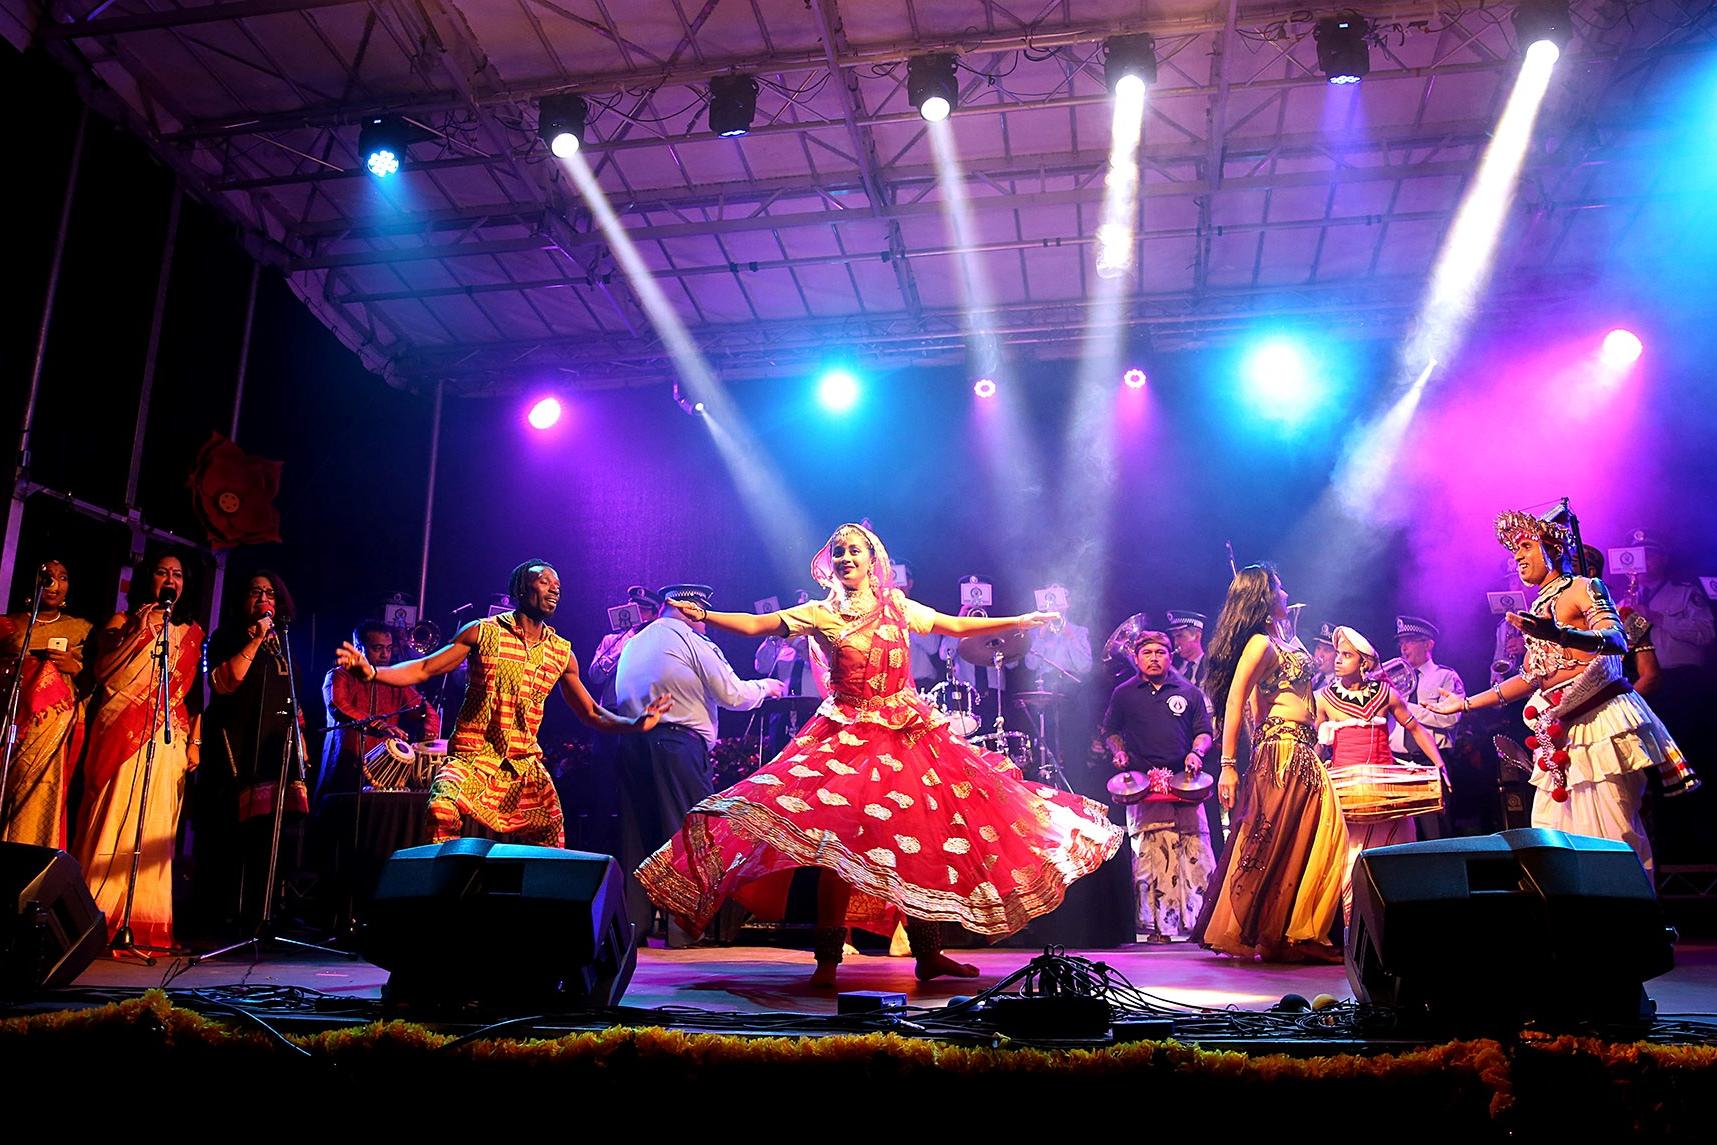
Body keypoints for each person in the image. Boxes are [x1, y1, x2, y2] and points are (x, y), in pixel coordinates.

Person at [636, 524, 1122, 987]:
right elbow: (758, 623)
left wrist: (1019, 621)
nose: (846, 558)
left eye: (854, 551)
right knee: (835, 847)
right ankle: (827, 959)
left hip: (908, 735)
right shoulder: (820, 613)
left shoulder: (896, 606)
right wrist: (708, 618)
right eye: (838, 552)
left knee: (920, 841)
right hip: (846, 740)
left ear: (874, 561)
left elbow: (953, 626)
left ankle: (928, 956)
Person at [1425, 511, 1694, 872]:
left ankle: (1633, 922)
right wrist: (1465, 704)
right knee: (1554, 833)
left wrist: (1560, 634)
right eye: (1513, 550)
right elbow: (1532, 675)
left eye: (1525, 547)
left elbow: (1615, 640)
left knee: (1612, 834)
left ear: (1552, 548)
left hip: (1600, 722)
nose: (1517, 557)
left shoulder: (1585, 588)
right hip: (1558, 732)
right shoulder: (1537, 605)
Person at [335, 560, 669, 847]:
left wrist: (634, 724)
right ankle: (438, 907)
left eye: (558, 585)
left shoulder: (561, 652)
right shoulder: (483, 632)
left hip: (523, 767)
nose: (554, 590)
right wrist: (372, 672)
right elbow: (424, 667)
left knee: (551, 832)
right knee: (441, 810)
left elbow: (590, 711)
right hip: (472, 759)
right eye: (544, 582)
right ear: (522, 590)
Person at [611, 583, 784, 946]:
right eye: (703, 614)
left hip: (630, 744)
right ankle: (682, 931)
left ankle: (632, 928)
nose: (706, 622)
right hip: (676, 744)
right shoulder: (691, 639)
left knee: (638, 838)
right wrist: (766, 687)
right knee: (687, 835)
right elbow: (732, 693)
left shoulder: (636, 641)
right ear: (691, 611)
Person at [1196, 563, 1347, 963]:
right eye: (1279, 587)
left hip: (1302, 748)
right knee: (1285, 838)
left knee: (1307, 838)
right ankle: (1291, 933)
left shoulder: (1286, 642)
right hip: (1282, 750)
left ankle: (1294, 931)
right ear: (1263, 597)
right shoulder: (1259, 644)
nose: (1285, 593)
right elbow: (1235, 698)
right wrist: (1228, 764)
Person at [78, 550, 203, 949]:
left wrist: (195, 743)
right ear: (149, 577)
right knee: (116, 813)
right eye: (163, 572)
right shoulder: (121, 620)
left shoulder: (191, 634)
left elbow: (196, 697)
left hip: (169, 738)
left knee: (156, 831)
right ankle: (95, 915)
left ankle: (145, 920)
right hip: (123, 731)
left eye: (178, 574)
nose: (171, 579)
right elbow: (102, 672)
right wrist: (138, 630)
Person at [196, 570, 309, 928]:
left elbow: (294, 698)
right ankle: (225, 913)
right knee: (232, 831)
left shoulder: (284, 641)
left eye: (270, 593)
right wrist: (256, 639)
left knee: (273, 833)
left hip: (278, 746)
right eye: (255, 591)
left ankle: (265, 914)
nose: (263, 599)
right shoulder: (225, 636)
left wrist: (301, 744)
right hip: (237, 744)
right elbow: (224, 684)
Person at [1314, 626, 1446, 920]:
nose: (1337, 660)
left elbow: (1415, 727)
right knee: (1349, 859)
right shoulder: (1323, 698)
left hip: (1386, 790)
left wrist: (1439, 764)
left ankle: (1394, 925)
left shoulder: (1386, 693)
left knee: (1393, 857)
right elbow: (1318, 744)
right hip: (1346, 793)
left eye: (1346, 655)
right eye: (1338, 654)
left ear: (1363, 663)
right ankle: (1352, 929)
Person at [1100, 630, 1214, 941]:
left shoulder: (1189, 691)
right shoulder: (1124, 693)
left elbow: (1204, 732)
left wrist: (1196, 752)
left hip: (1184, 783)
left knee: (1194, 853)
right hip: (1141, 786)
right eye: (1147, 652)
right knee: (1147, 857)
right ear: (1136, 658)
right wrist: (1118, 750)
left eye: (1160, 652)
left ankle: (1197, 924)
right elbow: (1110, 730)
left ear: (1170, 656)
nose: (1154, 657)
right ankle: (1152, 925)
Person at [0, 560, 92, 848]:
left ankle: (34, 856)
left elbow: (96, 680)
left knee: (42, 791)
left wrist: (75, 668)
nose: (55, 583)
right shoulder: (9, 624)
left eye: (63, 577)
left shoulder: (81, 629)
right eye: (47, 577)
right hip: (14, 722)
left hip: (53, 728)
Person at [317, 620, 440, 797]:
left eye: (389, 648)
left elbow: (425, 709)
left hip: (384, 770)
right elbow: (338, 706)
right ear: (359, 647)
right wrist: (380, 725)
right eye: (378, 648)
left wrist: (429, 736)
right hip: (345, 763)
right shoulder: (340, 675)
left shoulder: (393, 681)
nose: (385, 655)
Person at [589, 586, 662, 707]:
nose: (637, 614)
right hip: (612, 709)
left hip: (644, 710)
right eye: (633, 610)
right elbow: (595, 677)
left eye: (642, 610)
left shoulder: (658, 642)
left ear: (655, 615)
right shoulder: (610, 641)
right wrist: (622, 648)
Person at [1167, 610, 1209, 690]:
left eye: (1180, 636)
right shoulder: (1174, 665)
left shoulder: (1210, 666)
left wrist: (1176, 675)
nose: (1176, 642)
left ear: (1197, 636)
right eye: (1174, 637)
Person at [1309, 623, 1337, 695]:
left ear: (1337, 655)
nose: (1320, 655)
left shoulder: (1337, 686)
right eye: (1318, 648)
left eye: (1326, 650)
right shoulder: (1312, 676)